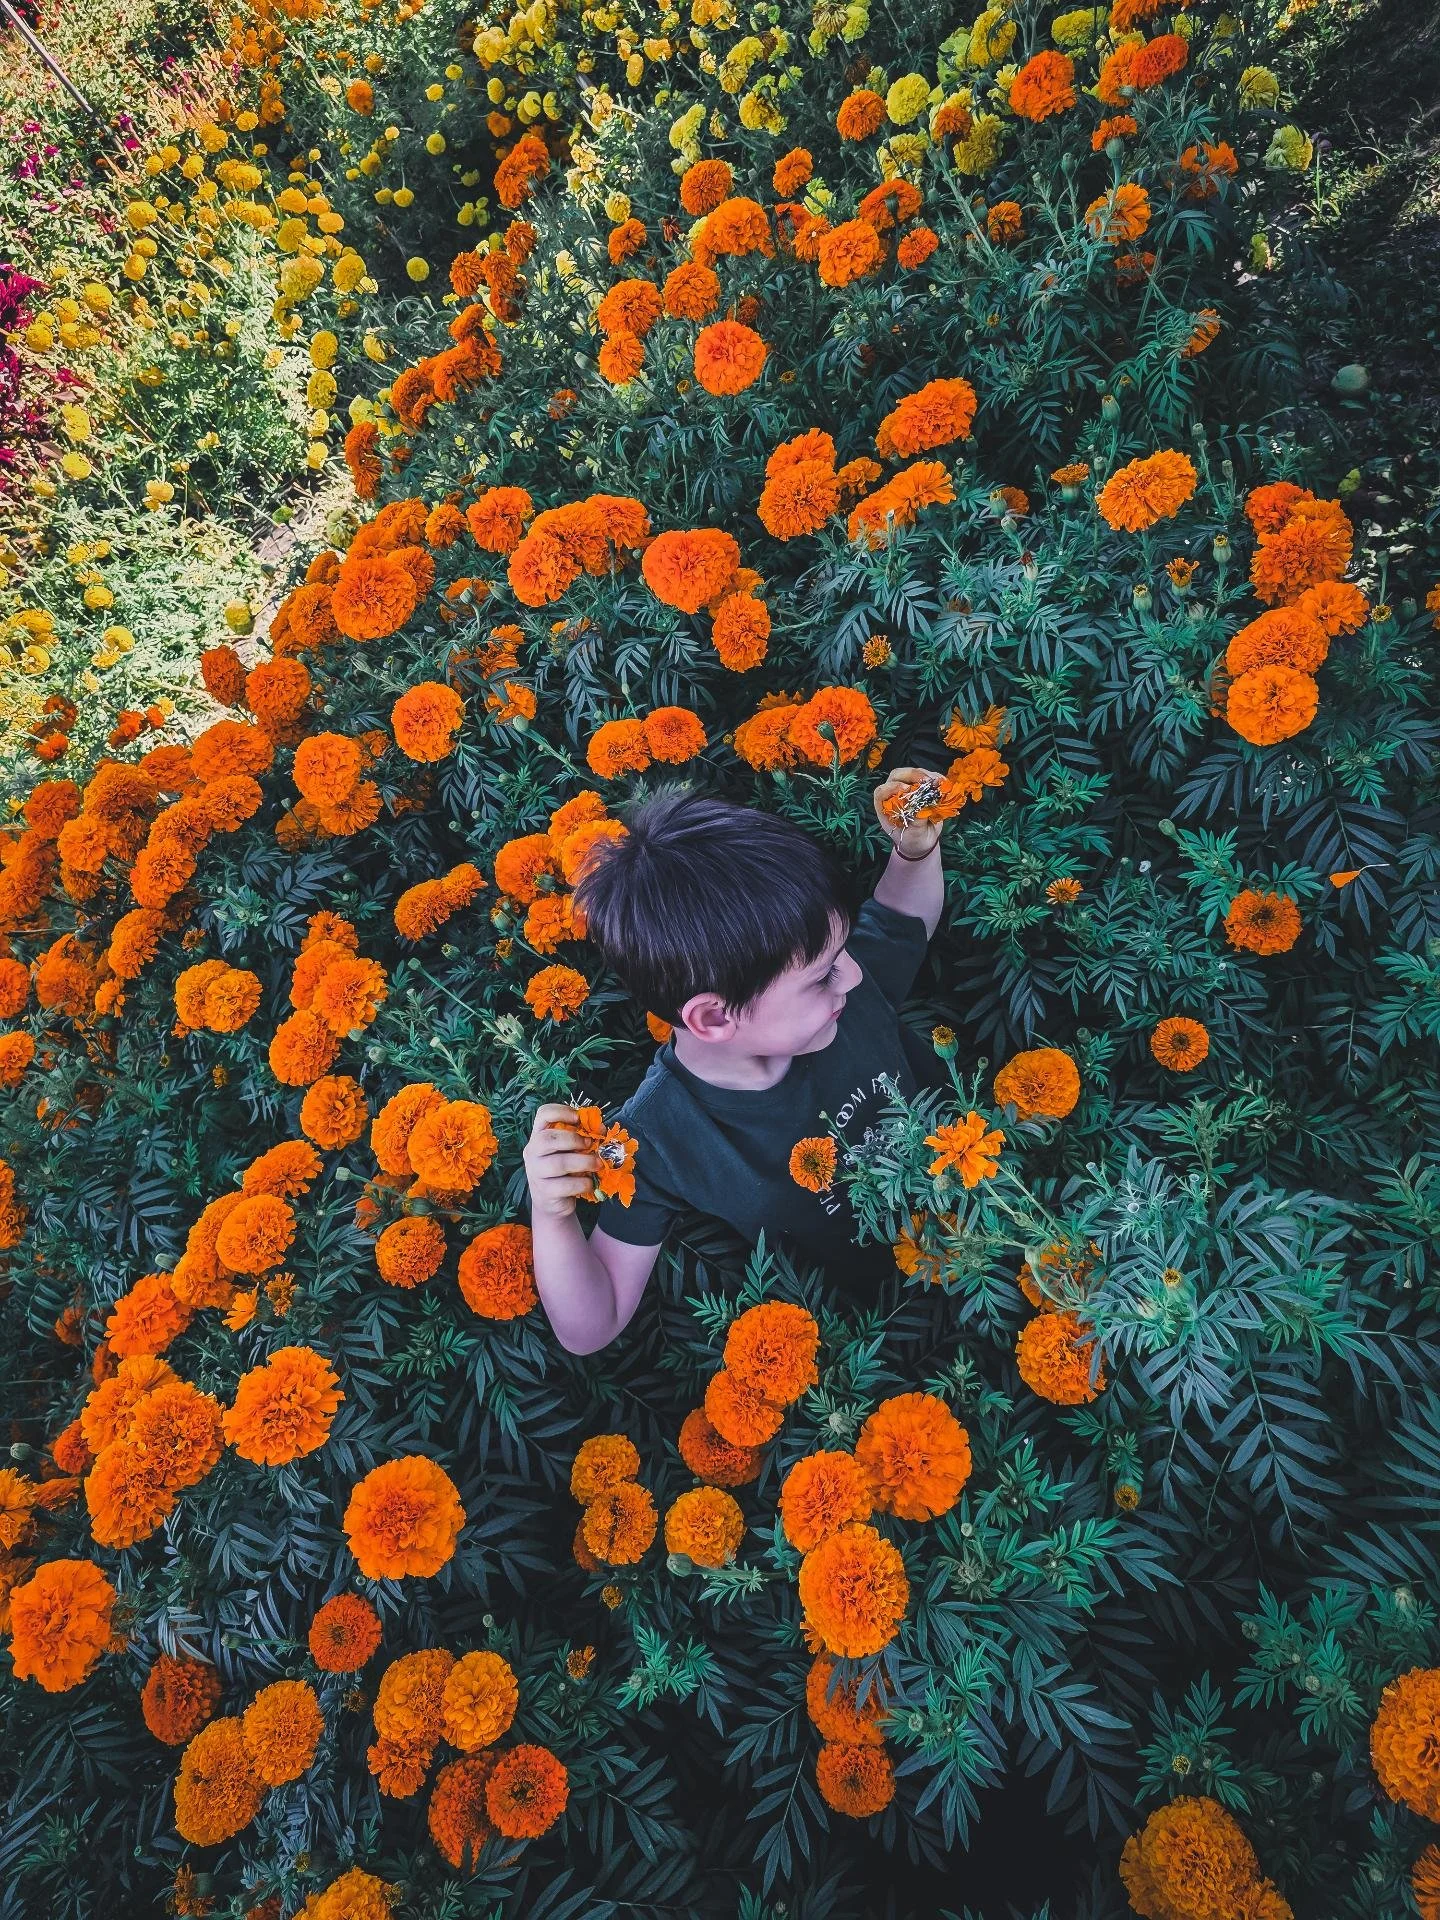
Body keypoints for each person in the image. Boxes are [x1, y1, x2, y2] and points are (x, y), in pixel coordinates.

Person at [522, 772, 952, 1354]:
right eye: (823, 973)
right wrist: (551, 1214)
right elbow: (590, 1326)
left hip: (1006, 1185)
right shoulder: (659, 1139)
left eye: (842, 953)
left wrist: (913, 852)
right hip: (902, 1315)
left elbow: (904, 920)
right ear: (714, 1019)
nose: (853, 974)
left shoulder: (840, 993)